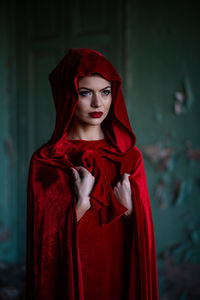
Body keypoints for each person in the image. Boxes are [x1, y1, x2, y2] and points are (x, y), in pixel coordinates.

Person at [25, 48, 159, 300]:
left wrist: (130, 210)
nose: (98, 104)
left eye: (105, 92)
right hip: (72, 278)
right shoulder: (47, 161)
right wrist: (79, 206)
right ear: (67, 96)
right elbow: (42, 249)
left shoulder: (130, 157)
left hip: (119, 270)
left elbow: (145, 241)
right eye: (85, 93)